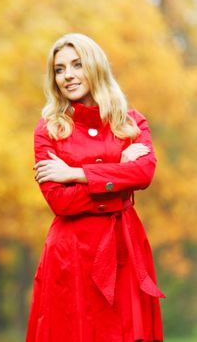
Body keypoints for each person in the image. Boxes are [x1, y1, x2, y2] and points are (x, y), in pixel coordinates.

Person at [26, 33, 165, 342]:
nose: (68, 76)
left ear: (96, 67)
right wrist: (120, 180)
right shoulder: (49, 129)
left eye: (77, 65)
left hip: (124, 249)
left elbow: (143, 173)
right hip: (71, 255)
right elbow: (60, 202)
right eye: (59, 69)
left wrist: (76, 173)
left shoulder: (130, 122)